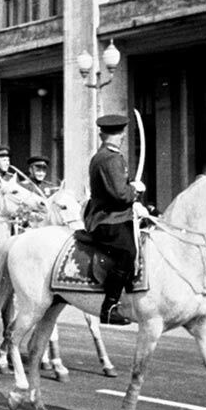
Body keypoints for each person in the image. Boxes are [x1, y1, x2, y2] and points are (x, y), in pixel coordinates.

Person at [83, 114, 145, 325]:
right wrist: (134, 191)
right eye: (116, 134)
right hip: (107, 219)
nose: (120, 137)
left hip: (116, 215)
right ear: (104, 136)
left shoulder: (107, 156)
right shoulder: (109, 158)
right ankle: (109, 307)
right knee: (128, 252)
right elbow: (119, 195)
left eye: (119, 133)